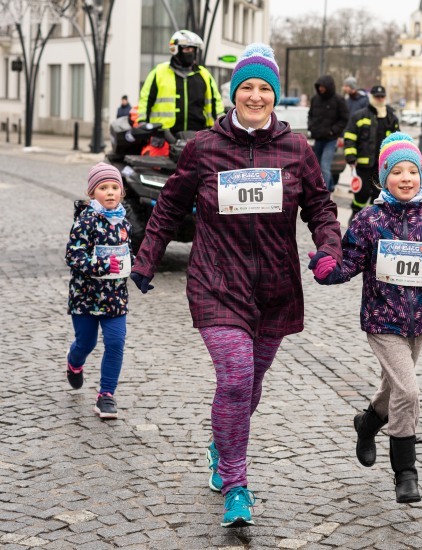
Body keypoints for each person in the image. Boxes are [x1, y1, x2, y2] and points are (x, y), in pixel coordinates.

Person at [130, 43, 342, 528]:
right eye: (246, 86)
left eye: (264, 88)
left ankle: (221, 443)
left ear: (275, 95)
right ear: (232, 94)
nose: (255, 95)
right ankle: (236, 484)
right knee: (236, 376)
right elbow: (168, 207)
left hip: (275, 285)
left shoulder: (296, 149)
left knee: (250, 387)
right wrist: (145, 261)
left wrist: (330, 246)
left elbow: (321, 207)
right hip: (217, 281)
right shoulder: (206, 147)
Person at [308, 132, 422, 504]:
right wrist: (326, 268)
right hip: (382, 320)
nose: (405, 178)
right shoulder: (370, 220)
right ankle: (406, 472)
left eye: (411, 171)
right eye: (396, 171)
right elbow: (348, 262)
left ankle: (367, 423)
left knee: (394, 387)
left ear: (421, 175)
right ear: (383, 178)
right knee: (409, 390)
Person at [65, 162, 134, 420]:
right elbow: (73, 255)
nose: (110, 192)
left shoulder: (124, 221)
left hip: (115, 299)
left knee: (116, 343)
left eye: (115, 187)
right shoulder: (86, 220)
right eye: (103, 187)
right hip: (85, 297)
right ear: (92, 192)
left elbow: (128, 253)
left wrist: (136, 267)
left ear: (122, 192)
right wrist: (104, 265)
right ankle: (74, 363)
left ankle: (106, 395)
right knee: (87, 342)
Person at [137, 29, 224, 139]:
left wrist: (222, 128)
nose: (190, 53)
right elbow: (145, 100)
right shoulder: (159, 72)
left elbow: (216, 104)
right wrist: (142, 123)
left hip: (198, 137)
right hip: (162, 137)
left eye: (193, 49)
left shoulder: (204, 75)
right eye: (187, 49)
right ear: (175, 50)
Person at [343, 84, 399, 223]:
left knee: (378, 194)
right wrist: (351, 157)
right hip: (363, 164)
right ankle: (356, 215)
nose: (379, 99)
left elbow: (397, 140)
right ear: (371, 97)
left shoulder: (391, 118)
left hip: (383, 166)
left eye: (382, 96)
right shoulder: (359, 115)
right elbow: (349, 137)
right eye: (377, 96)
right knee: (361, 193)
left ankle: (373, 220)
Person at [308, 74, 349, 191]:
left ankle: (323, 192)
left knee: (325, 166)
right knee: (317, 166)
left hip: (331, 139)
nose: (321, 89)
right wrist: (311, 127)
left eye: (323, 86)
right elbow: (311, 115)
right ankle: (329, 186)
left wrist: (333, 131)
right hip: (318, 137)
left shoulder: (339, 100)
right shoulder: (315, 99)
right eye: (319, 86)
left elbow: (344, 119)